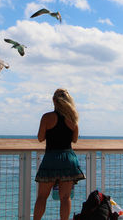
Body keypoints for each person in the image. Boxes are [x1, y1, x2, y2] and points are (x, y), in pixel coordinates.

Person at [33, 88, 86, 220]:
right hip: (68, 159)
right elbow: (74, 140)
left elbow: (40, 138)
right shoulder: (73, 119)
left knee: (42, 197)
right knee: (65, 197)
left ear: (54, 101)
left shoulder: (47, 117)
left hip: (51, 158)